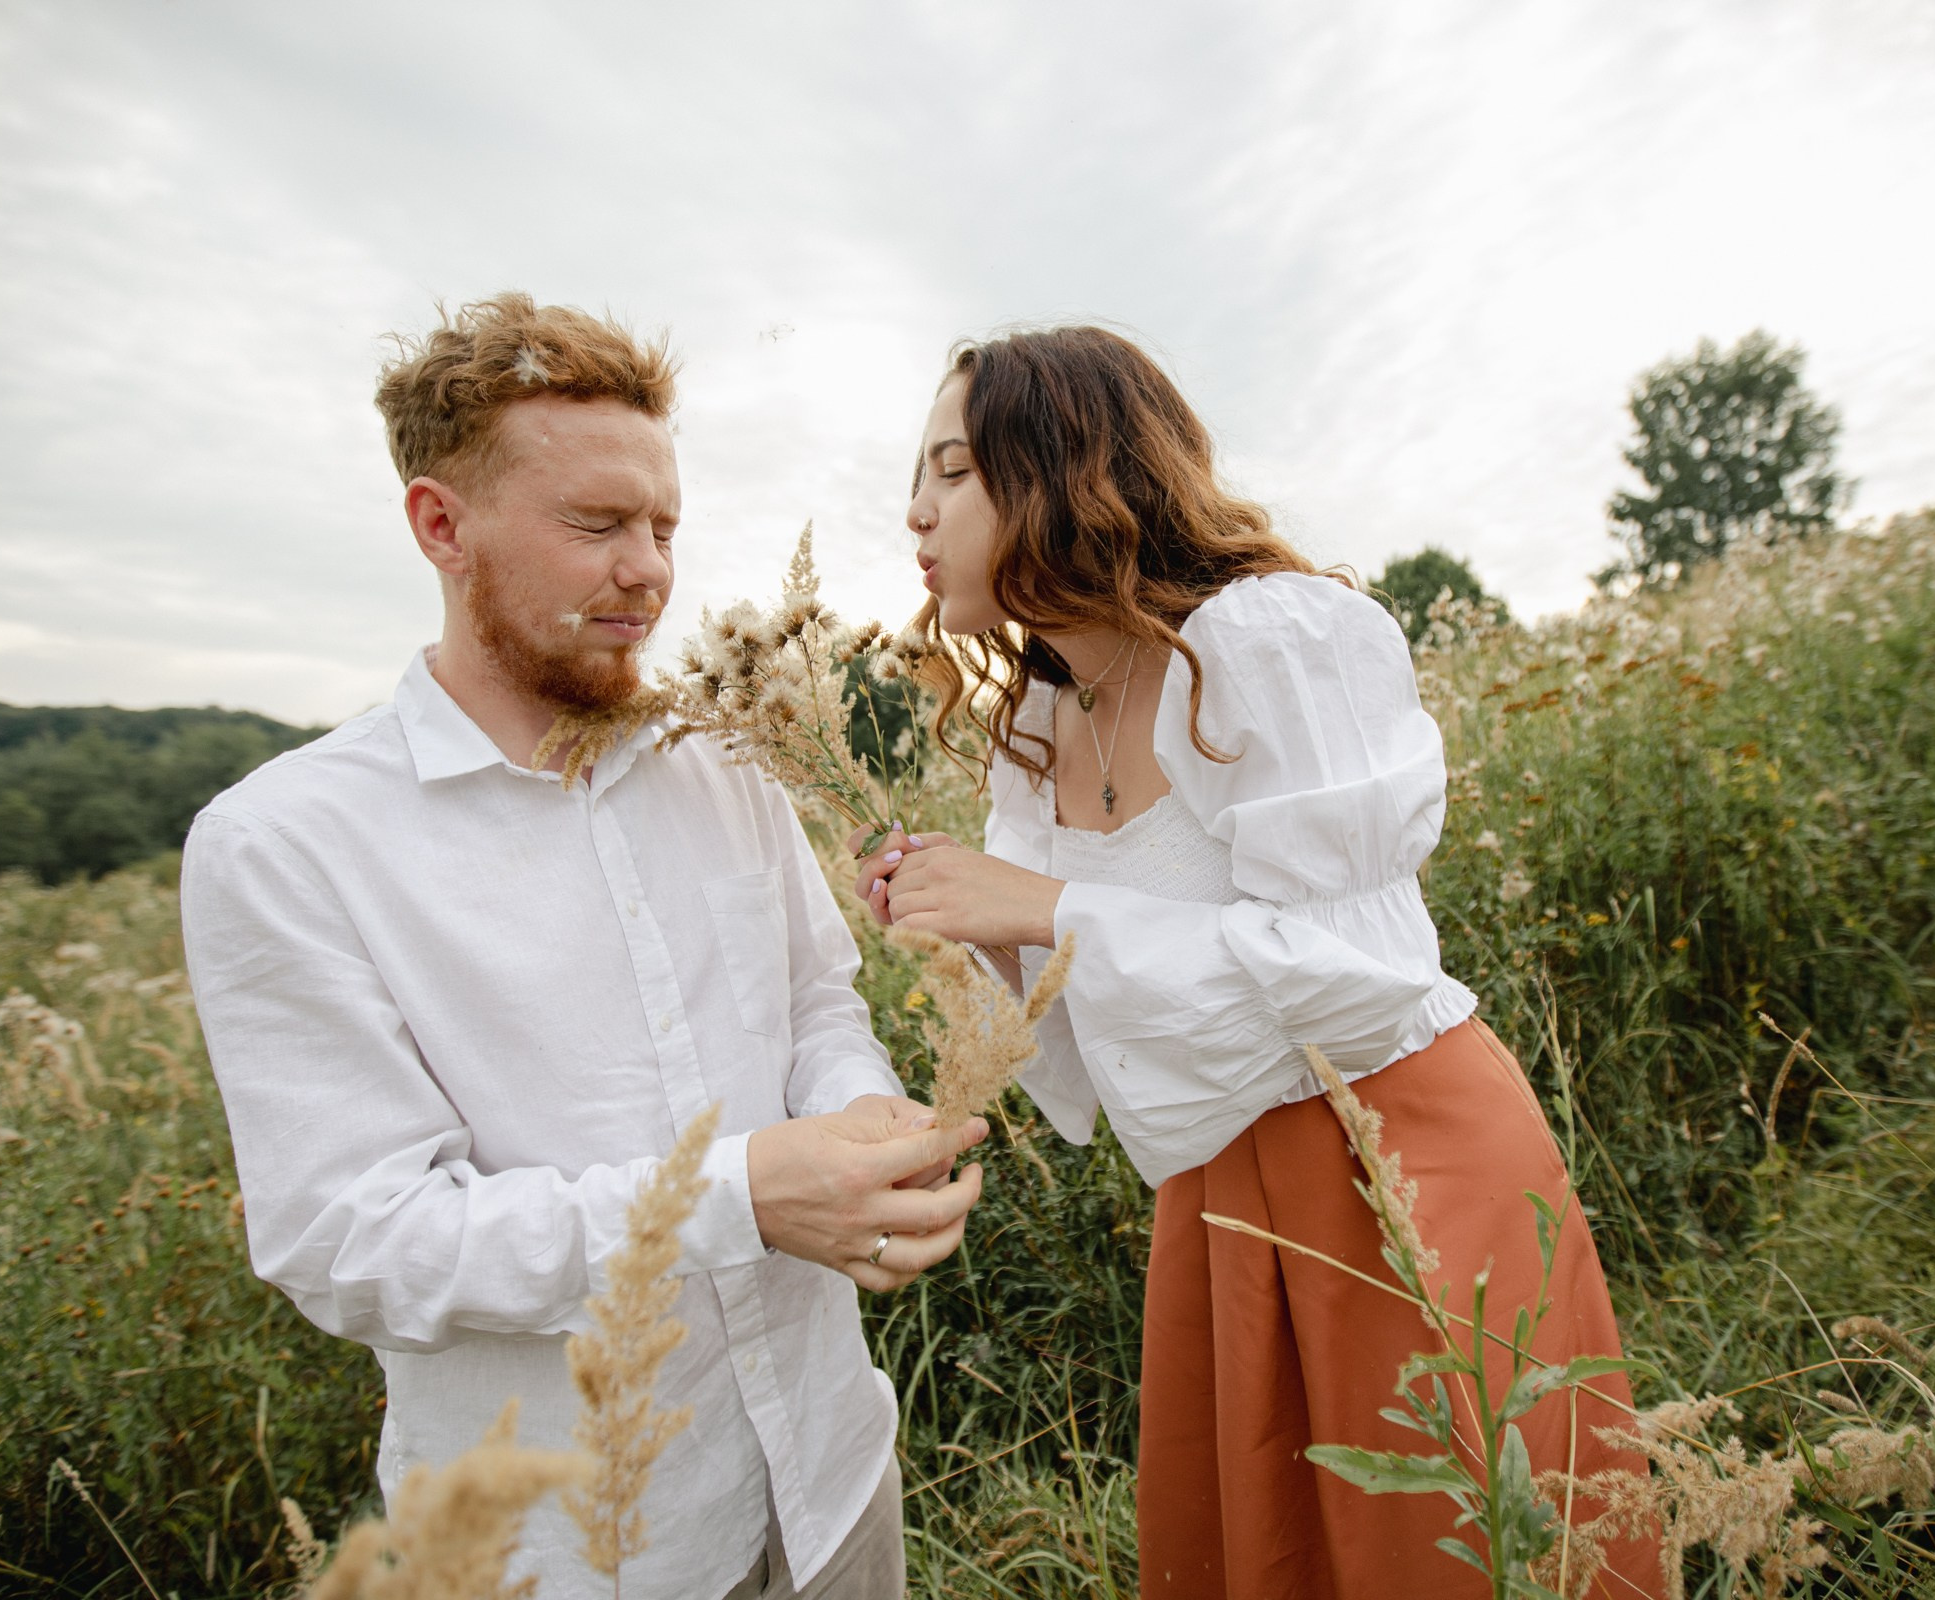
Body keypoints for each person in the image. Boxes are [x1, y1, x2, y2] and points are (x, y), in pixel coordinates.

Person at [182, 294, 984, 1600]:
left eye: (662, 525)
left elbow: (818, 1003)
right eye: (598, 526)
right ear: (441, 526)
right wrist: (737, 1199)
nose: (650, 570)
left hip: (835, 1477)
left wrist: (858, 1122)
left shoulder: (727, 766)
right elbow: (357, 1241)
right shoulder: (284, 844)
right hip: (585, 1557)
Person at [855, 327, 1662, 1598]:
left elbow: (1342, 969)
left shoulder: (1270, 640)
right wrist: (966, 927)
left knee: (1458, 1551)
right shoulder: (1037, 718)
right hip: (1219, 1197)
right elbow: (1088, 1034)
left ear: (1066, 468)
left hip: (1395, 1153)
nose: (914, 510)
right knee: (1266, 1555)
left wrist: (1043, 903)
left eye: (951, 472)